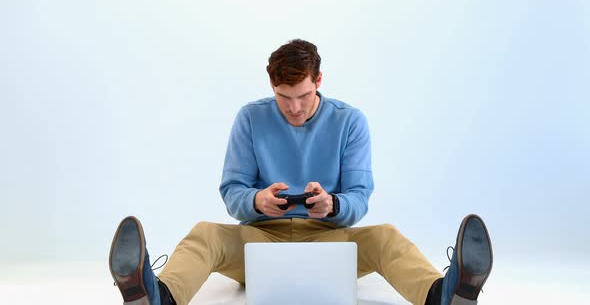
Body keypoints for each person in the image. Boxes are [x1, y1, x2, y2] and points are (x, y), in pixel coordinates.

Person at [109, 39, 493, 305]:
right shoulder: (250, 117)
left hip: (330, 243)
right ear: (272, 86)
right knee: (203, 235)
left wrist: (333, 204)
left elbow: (359, 196)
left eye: (304, 96)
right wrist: (256, 201)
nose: (294, 108)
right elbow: (232, 191)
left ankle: (442, 295)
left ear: (319, 81)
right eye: (284, 98)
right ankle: (158, 297)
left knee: (386, 237)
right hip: (260, 241)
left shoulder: (350, 121)